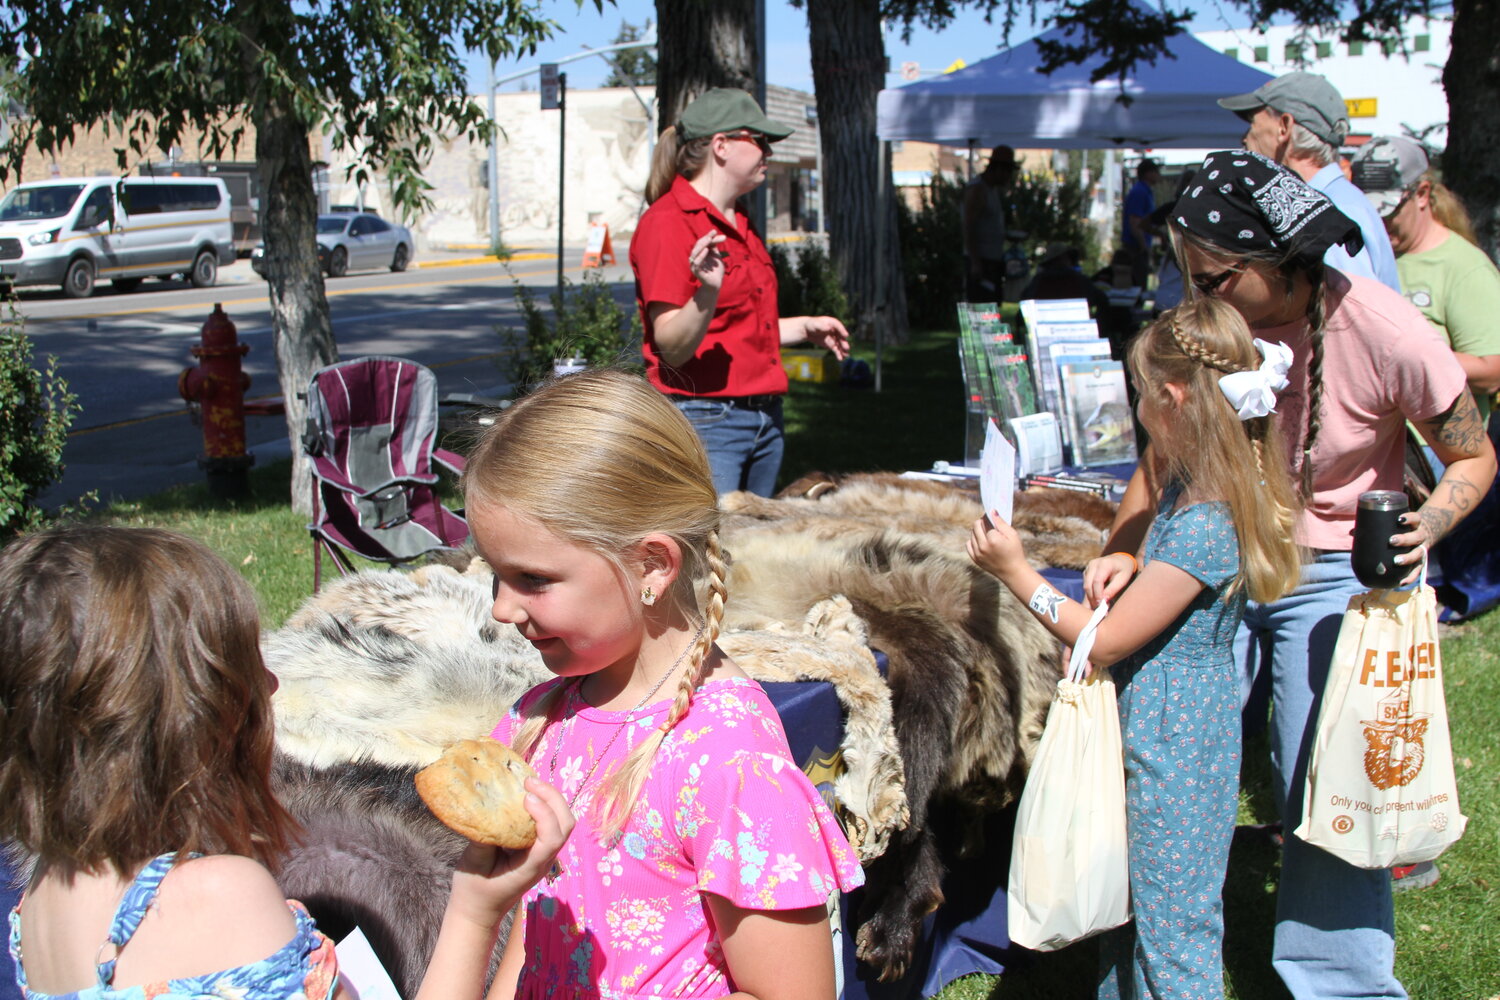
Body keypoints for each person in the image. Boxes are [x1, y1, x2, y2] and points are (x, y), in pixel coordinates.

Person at [1092, 150, 1496, 999]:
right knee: (1162, 747)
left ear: (1281, 262)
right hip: (1212, 551)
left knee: (1328, 769)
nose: (1197, 293)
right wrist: (1128, 543)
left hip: (1336, 572)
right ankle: (1151, 946)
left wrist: (1433, 520)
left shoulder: (1391, 333)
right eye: (1188, 275)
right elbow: (1166, 446)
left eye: (1215, 276)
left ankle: (1337, 981)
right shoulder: (1215, 323)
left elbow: (1472, 454)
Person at [0, 525, 573, 1000]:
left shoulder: (44, 895)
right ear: (191, 716)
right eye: (247, 665)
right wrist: (490, 910)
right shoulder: (219, 893)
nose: (273, 681)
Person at [459, 368, 865, 1000]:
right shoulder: (544, 718)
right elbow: (534, 928)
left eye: (532, 579)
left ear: (651, 565)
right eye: (495, 574)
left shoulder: (729, 764)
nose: (502, 609)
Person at [970, 296, 1303, 999]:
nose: (1136, 409)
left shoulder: (1209, 520)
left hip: (1175, 742)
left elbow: (1112, 639)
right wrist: (1136, 563)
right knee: (1133, 911)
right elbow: (1165, 579)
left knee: (1173, 930)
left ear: (1172, 400)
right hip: (1161, 728)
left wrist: (1016, 573)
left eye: (1140, 395)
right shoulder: (1192, 488)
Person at [631, 88, 850, 497]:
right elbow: (672, 347)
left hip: (763, 417)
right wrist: (705, 293)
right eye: (760, 141)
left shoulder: (739, 222)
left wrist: (805, 327)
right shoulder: (669, 223)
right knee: (711, 550)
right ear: (721, 145)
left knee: (751, 552)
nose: (768, 153)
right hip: (707, 419)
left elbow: (737, 328)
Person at [1352, 135, 1500, 428]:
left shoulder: (1464, 266)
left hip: (1435, 447)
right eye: (1369, 214)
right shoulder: (1370, 253)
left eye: (1388, 212)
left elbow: (1492, 372)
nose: (1378, 224)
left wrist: (1405, 354)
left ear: (1421, 193)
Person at [1218, 71, 1401, 292]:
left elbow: (1348, 317)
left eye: (1253, 123)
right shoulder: (1328, 204)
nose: (1245, 138)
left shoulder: (1330, 214)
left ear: (1284, 127)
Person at [963, 146, 1020, 301]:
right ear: (999, 169)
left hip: (992, 260)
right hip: (981, 262)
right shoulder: (978, 190)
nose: (1009, 178)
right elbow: (969, 227)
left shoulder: (992, 190)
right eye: (1008, 172)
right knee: (981, 308)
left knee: (991, 306)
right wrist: (976, 262)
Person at [1122, 158, 1161, 288]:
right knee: (1137, 284)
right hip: (1135, 247)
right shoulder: (1140, 192)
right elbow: (1135, 221)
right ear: (1147, 173)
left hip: (1139, 245)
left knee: (1141, 281)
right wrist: (1143, 245)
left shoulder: (1146, 192)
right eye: (1155, 171)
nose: (1158, 175)